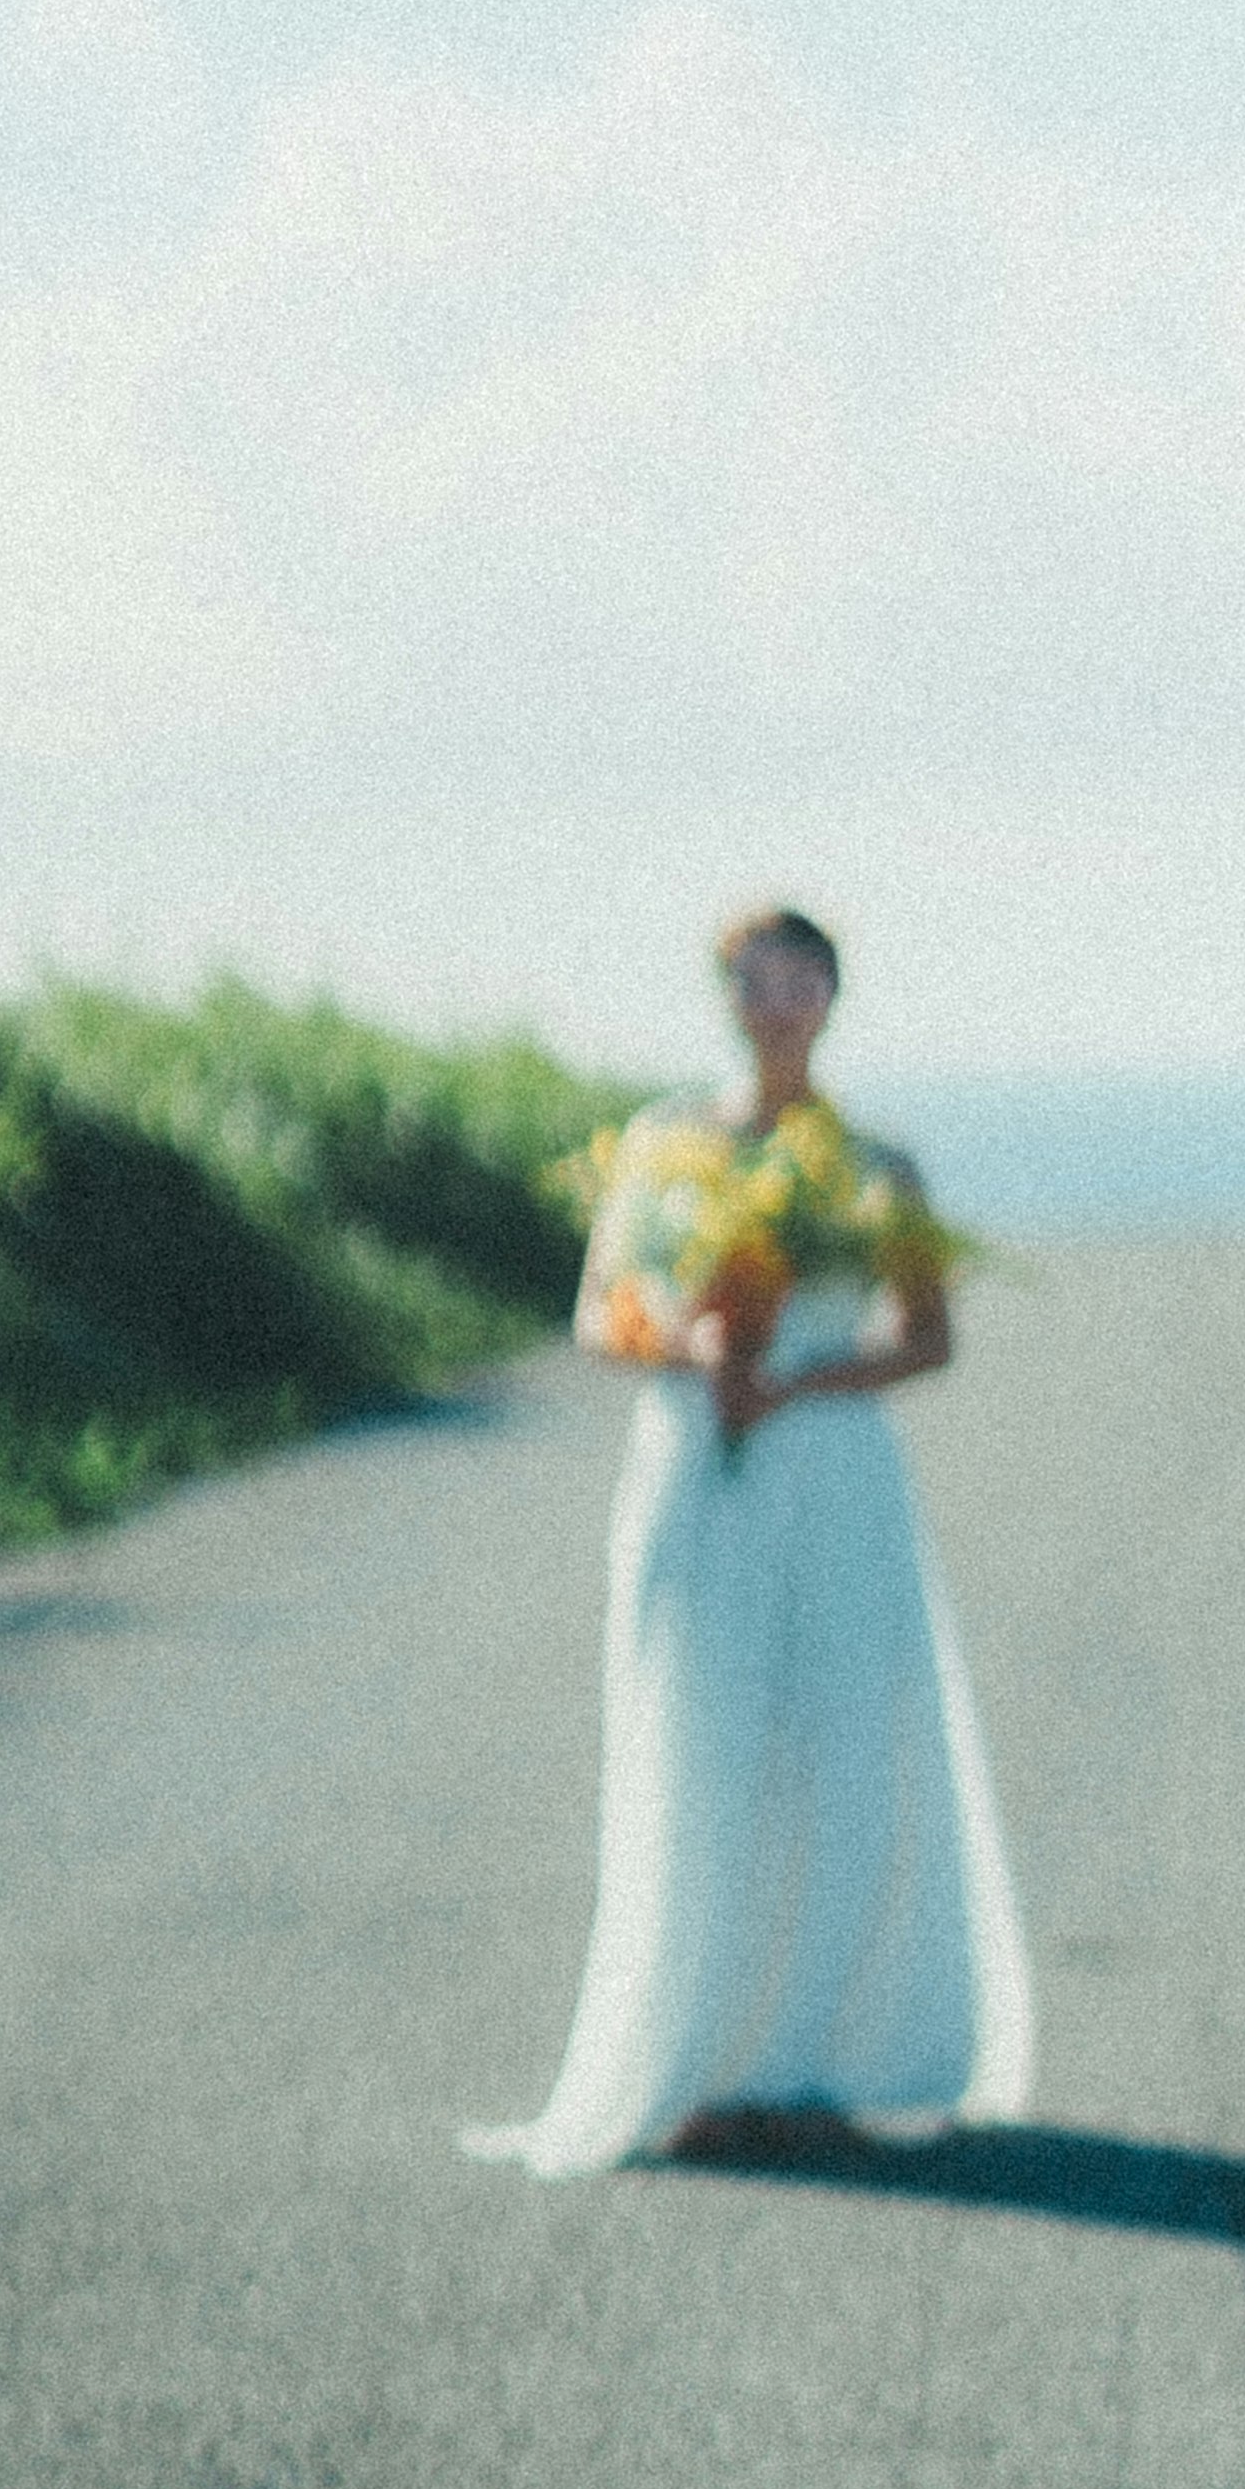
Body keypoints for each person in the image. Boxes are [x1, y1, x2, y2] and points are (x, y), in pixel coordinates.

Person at [470, 907, 1034, 2175]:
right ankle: (702, 2057)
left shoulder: (875, 1161)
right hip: (698, 1469)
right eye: (754, 981)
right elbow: (600, 1312)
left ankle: (819, 2060)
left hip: (833, 1475)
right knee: (698, 1744)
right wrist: (702, 1348)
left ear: (832, 996)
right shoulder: (668, 1145)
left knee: (840, 1752)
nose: (777, 1003)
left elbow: (929, 1336)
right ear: (724, 996)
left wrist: (796, 1381)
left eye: (800, 981)